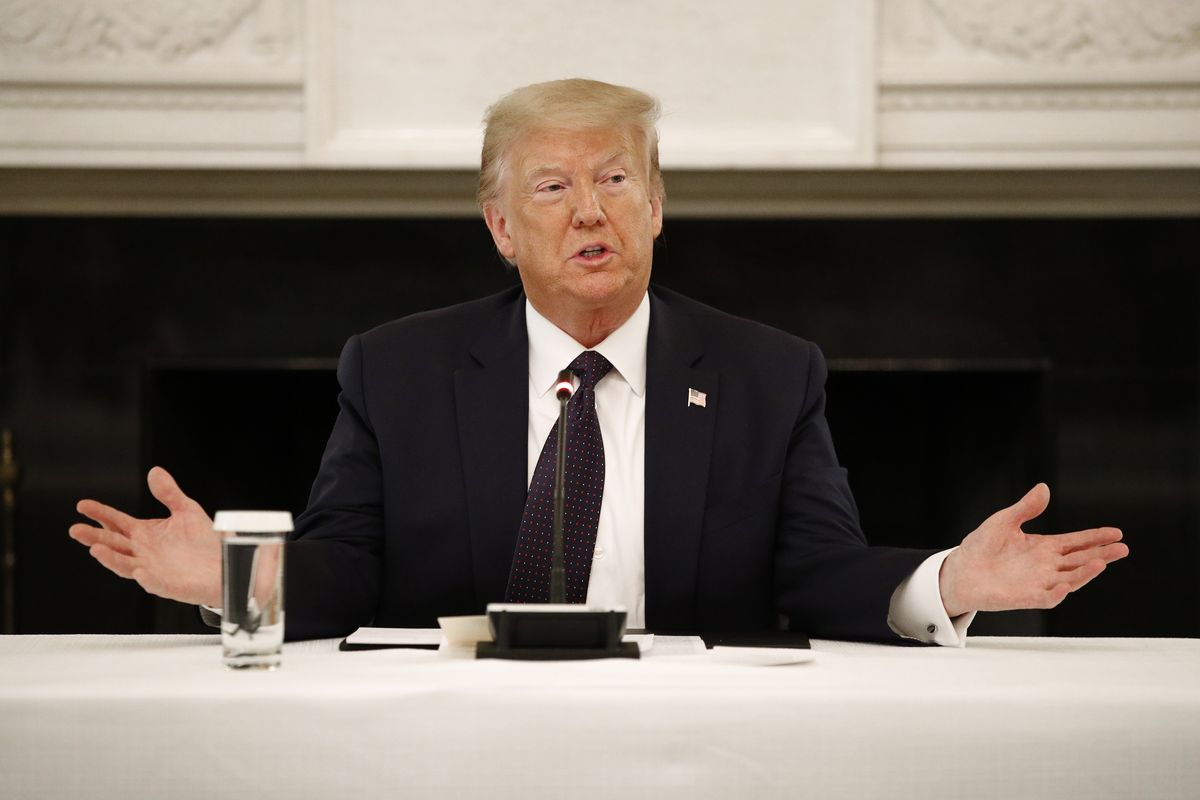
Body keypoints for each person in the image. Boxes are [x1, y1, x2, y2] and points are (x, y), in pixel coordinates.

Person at [68, 79, 1128, 644]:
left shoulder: (768, 372)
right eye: (552, 187)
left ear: (657, 207)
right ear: (498, 225)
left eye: (616, 179)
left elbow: (820, 571)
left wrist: (949, 578)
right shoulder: (395, 369)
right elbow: (350, 569)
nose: (590, 210)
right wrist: (231, 578)